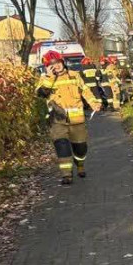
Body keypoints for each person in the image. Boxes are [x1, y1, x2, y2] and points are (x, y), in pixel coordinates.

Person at [36, 50, 102, 184]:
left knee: (81, 148)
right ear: (47, 66)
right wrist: (50, 77)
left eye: (58, 63)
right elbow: (41, 94)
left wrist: (94, 102)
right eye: (52, 64)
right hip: (57, 121)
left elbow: (85, 91)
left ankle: (80, 164)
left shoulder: (74, 75)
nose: (56, 66)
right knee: (62, 146)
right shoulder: (44, 79)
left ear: (62, 62)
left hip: (77, 120)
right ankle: (67, 174)